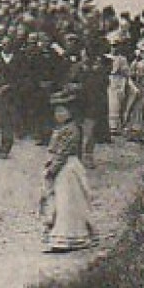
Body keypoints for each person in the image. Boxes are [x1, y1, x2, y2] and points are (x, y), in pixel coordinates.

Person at [41, 92, 96, 253]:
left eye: (63, 111)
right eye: (57, 112)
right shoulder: (62, 128)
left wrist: (52, 169)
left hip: (68, 168)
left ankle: (68, 237)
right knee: (60, 201)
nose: (59, 115)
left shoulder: (72, 130)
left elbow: (63, 152)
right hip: (63, 166)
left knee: (67, 202)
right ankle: (65, 235)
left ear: (71, 112)